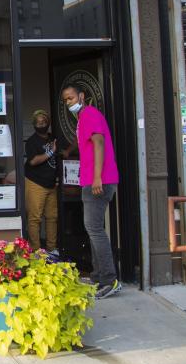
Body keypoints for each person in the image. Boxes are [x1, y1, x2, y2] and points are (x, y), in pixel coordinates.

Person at [61, 82, 121, 299]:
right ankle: (98, 276)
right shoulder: (83, 119)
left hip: (99, 182)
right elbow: (86, 143)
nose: (68, 102)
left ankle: (109, 279)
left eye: (71, 98)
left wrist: (97, 177)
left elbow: (98, 143)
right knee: (94, 228)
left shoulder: (89, 114)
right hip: (91, 181)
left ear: (82, 96)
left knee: (94, 229)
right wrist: (69, 150)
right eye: (66, 100)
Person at [24, 109, 59, 255]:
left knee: (52, 217)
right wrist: (50, 152)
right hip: (35, 183)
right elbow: (33, 161)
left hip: (52, 183)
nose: (41, 124)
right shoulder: (32, 141)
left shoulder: (53, 138)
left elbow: (62, 153)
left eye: (44, 121)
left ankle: (52, 249)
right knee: (34, 218)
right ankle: (36, 251)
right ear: (34, 124)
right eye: (38, 122)